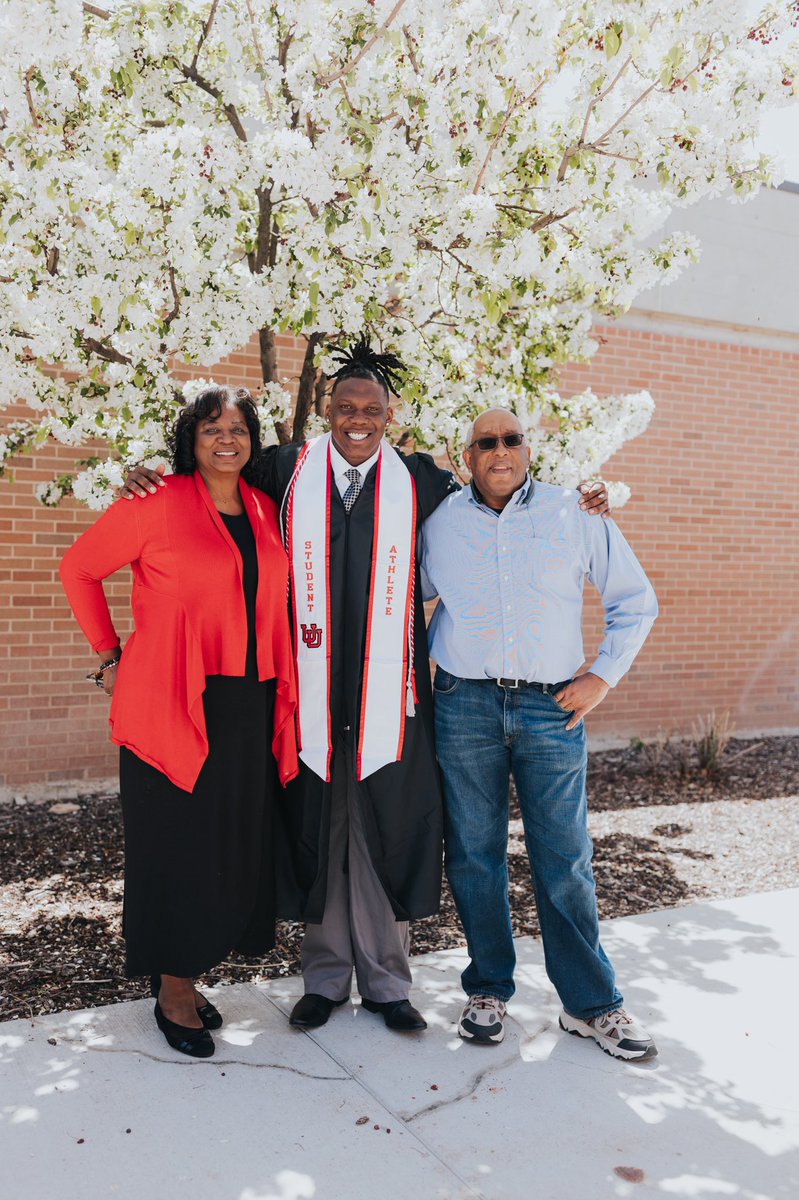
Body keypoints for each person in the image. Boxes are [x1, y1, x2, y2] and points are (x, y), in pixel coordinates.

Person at [122, 340, 610, 1035]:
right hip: (307, 690)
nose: (357, 419)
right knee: (320, 827)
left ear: (390, 415)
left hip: (392, 695)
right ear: (325, 409)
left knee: (383, 829)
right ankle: (322, 980)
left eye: (371, 409)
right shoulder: (284, 468)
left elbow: (499, 489)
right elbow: (212, 474)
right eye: (345, 407)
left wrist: (581, 496)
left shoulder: (422, 480)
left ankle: (386, 983)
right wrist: (149, 478)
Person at [60, 386, 298, 1058]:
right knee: (177, 849)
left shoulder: (262, 507)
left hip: (250, 702)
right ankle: (171, 989)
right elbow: (78, 569)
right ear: (189, 439)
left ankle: (192, 974)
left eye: (239, 428)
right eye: (211, 428)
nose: (227, 439)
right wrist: (108, 655)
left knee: (230, 846)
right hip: (175, 701)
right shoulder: (156, 502)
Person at [420, 407, 659, 1060]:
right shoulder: (439, 526)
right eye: (484, 442)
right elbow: (400, 597)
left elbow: (634, 600)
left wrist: (601, 677)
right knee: (473, 855)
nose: (499, 451)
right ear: (464, 455)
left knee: (564, 859)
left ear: (527, 449)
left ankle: (590, 1005)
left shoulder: (574, 513)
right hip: (462, 705)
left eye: (510, 439)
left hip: (550, 708)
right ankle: (488, 987)